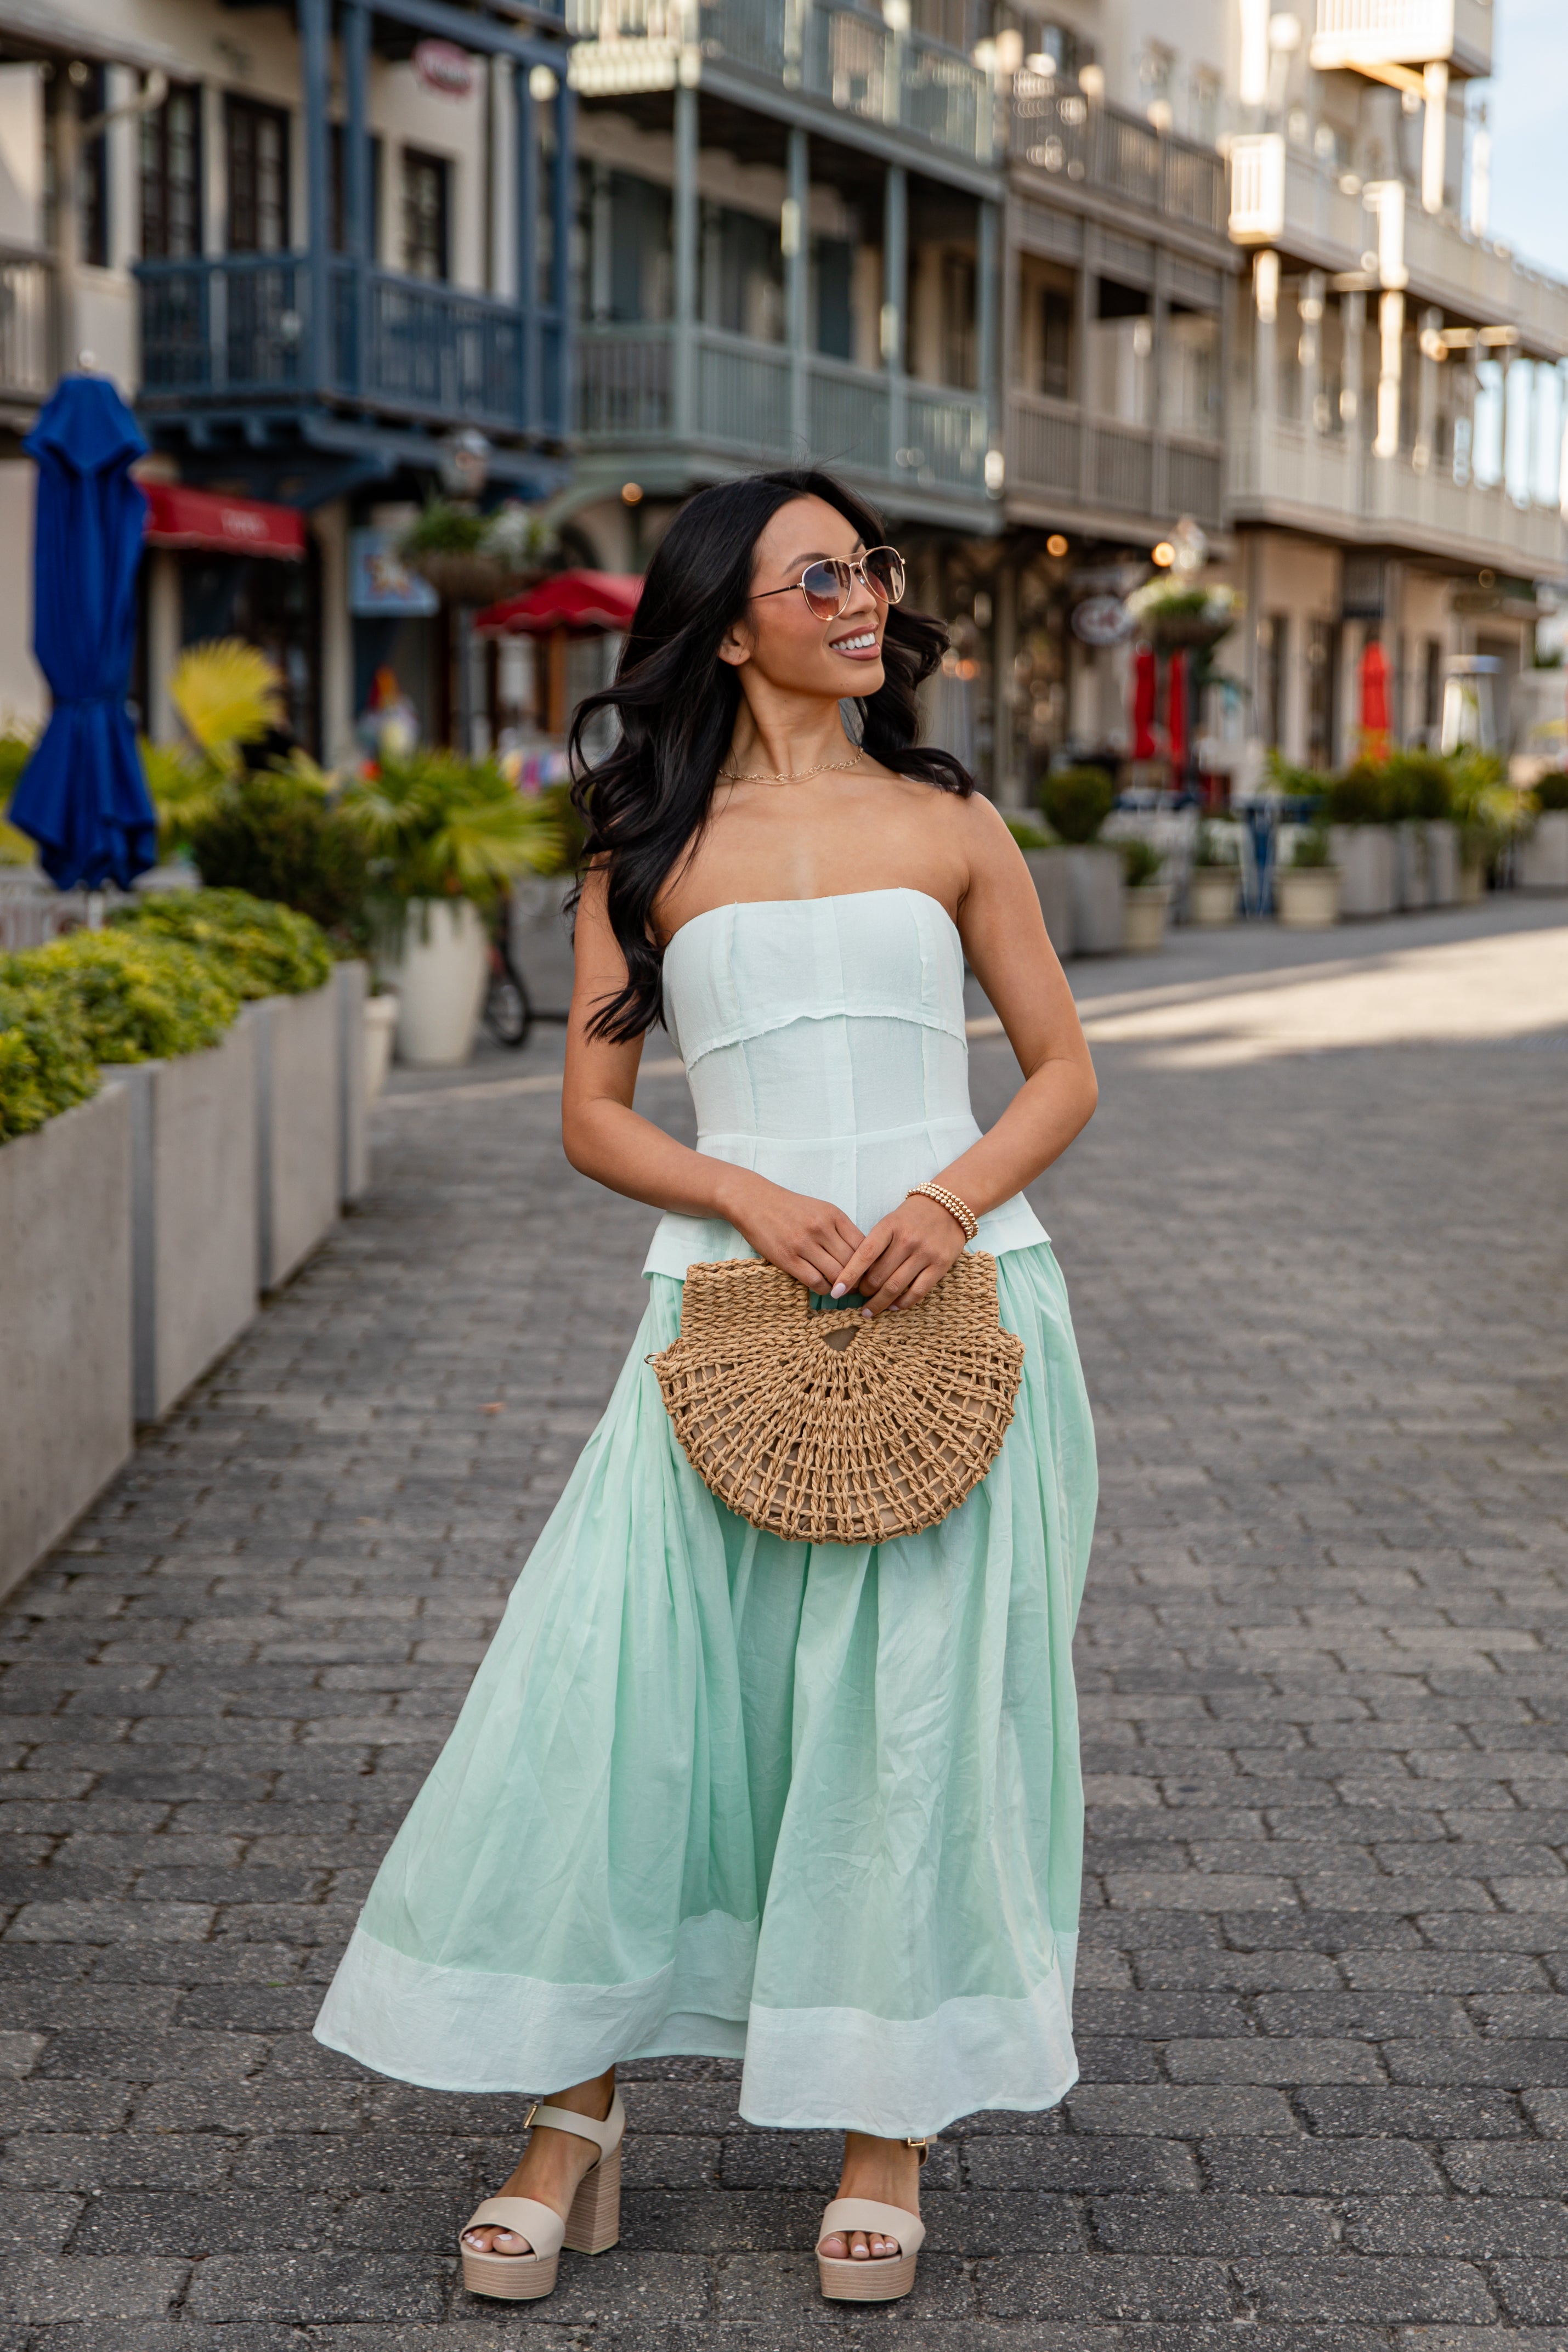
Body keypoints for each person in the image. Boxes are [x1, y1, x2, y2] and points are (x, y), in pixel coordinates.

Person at [314, 466, 1100, 2306]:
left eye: (866, 568)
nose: (860, 596)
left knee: (909, 1716)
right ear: (726, 625)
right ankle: (571, 2121)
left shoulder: (951, 817)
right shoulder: (643, 846)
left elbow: (1061, 1070)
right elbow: (594, 1119)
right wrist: (742, 1193)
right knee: (622, 1699)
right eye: (815, 576)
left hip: (964, 1304)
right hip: (718, 1313)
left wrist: (942, 1202)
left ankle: (885, 2124)